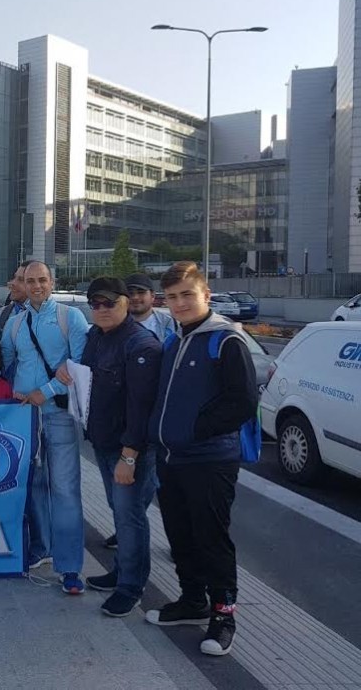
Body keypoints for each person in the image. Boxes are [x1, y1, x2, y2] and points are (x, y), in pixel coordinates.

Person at [144, 262, 258, 657]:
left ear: (206, 295)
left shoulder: (225, 341)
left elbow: (242, 402)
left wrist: (194, 429)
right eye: (172, 297)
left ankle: (223, 615)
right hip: (172, 457)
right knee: (180, 535)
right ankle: (193, 600)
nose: (180, 303)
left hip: (209, 459)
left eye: (187, 295)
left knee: (212, 539)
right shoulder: (174, 340)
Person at [0, 261, 90, 593]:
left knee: (64, 490)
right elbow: (6, 363)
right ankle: (42, 547)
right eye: (30, 280)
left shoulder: (70, 318)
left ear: (52, 282)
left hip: (59, 415)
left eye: (42, 280)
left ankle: (69, 567)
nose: (36, 286)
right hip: (26, 417)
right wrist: (11, 392)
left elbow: (79, 366)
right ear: (22, 284)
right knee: (34, 486)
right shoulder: (14, 323)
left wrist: (46, 391)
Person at [79, 277, 162, 618]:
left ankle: (131, 587)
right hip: (104, 441)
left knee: (130, 517)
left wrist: (129, 456)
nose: (101, 309)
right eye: (95, 304)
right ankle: (121, 571)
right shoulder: (95, 337)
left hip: (129, 449)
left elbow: (141, 408)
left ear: (125, 302)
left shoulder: (141, 345)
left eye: (109, 303)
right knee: (119, 512)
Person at [126, 273, 177, 342]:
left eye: (141, 292)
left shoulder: (169, 322)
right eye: (130, 293)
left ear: (152, 295)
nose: (135, 297)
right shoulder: (115, 324)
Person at [0, 262, 30, 341]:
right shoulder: (2, 313)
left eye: (21, 280)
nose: (12, 283)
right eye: (14, 278)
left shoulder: (52, 315)